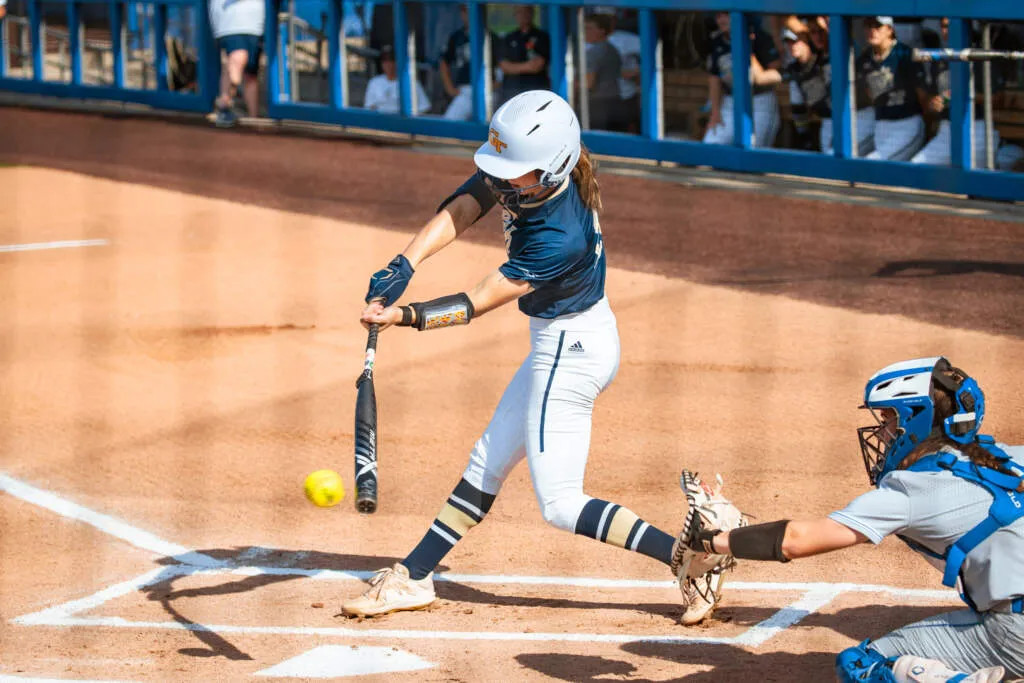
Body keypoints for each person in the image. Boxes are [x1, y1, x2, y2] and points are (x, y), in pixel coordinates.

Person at [341, 90, 719, 626]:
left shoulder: (557, 236)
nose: (502, 179)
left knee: (561, 504)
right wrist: (405, 262)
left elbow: (478, 300)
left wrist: (403, 317)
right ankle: (416, 575)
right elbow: (467, 203)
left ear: (552, 167)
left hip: (572, 348)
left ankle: (689, 558)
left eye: (513, 172)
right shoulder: (529, 174)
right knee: (487, 461)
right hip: (567, 339)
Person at [676, 356, 1024, 682]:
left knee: (862, 665)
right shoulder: (1012, 456)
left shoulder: (911, 489)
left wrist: (710, 539)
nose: (884, 432)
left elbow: (796, 540)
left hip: (1017, 635)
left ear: (915, 420)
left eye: (888, 419)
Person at [750, 22, 876, 156]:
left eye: (796, 41)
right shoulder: (795, 69)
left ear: (807, 41)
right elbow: (761, 78)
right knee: (830, 167)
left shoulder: (824, 56)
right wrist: (748, 48)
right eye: (788, 42)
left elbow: (833, 34)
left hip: (857, 116)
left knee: (836, 159)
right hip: (829, 122)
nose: (792, 46)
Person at [911, 18, 1004, 169]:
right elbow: (930, 100)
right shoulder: (940, 57)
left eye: (950, 26)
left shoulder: (979, 55)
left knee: (975, 184)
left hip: (977, 128)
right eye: (943, 26)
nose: (946, 31)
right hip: (946, 129)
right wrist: (934, 103)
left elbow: (998, 98)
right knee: (916, 170)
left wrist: (962, 95)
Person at [703, 12, 782, 148]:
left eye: (726, 15)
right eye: (718, 16)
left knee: (753, 152)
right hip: (731, 100)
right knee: (710, 146)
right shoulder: (717, 42)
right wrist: (715, 112)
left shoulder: (759, 37)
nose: (722, 20)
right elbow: (714, 79)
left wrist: (747, 48)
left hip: (760, 100)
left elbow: (776, 75)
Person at [857, 16, 928, 161]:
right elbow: (866, 96)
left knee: (873, 165)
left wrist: (928, 125)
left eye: (877, 27)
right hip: (881, 124)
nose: (872, 31)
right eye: (868, 26)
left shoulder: (905, 54)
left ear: (890, 29)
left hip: (907, 123)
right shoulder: (864, 58)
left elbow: (922, 95)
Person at [208, 0, 265, 127]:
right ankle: (225, 106)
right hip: (229, 23)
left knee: (251, 74)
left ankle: (253, 118)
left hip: (255, 24)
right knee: (237, 58)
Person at [497, 5, 550, 106]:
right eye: (519, 12)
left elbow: (538, 65)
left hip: (536, 91)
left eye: (527, 11)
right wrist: (528, 66)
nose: (523, 15)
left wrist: (513, 67)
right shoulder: (508, 38)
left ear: (532, 13)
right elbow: (504, 67)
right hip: (511, 91)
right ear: (515, 15)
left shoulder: (542, 36)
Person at [363, 45, 431, 114]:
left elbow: (424, 108)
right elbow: (369, 107)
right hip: (381, 122)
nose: (388, 64)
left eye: (391, 60)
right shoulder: (374, 82)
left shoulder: (411, 83)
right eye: (385, 60)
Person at [583, 13, 621, 131]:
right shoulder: (613, 49)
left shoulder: (593, 53)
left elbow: (588, 84)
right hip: (615, 100)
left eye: (589, 28)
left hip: (598, 104)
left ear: (602, 31)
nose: (585, 31)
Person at [605, 9, 642, 133]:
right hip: (599, 98)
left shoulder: (627, 38)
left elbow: (652, 57)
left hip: (625, 96)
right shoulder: (585, 37)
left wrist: (634, 73)